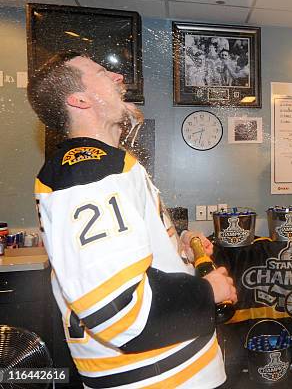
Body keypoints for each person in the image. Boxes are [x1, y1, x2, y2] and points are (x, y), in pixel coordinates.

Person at [28, 51, 237, 388]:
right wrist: (207, 291)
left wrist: (176, 247)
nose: (118, 77)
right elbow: (119, 309)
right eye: (100, 72)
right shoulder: (89, 172)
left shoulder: (110, 166)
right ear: (79, 99)